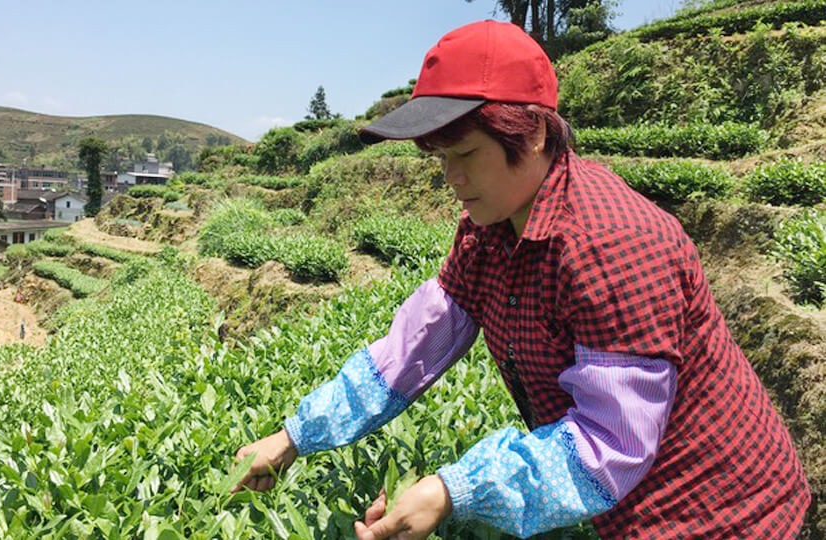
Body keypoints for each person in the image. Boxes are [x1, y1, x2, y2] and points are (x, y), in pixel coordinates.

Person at [231, 20, 811, 539]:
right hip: (624, 505)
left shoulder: (614, 245)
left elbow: (613, 445)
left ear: (531, 134)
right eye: (440, 159)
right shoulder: (487, 229)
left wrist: (451, 490)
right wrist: (294, 436)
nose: (452, 178)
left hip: (721, 511)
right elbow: (410, 351)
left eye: (466, 154)